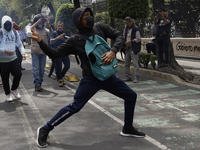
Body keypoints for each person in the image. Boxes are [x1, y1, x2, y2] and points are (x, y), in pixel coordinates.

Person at [30, 7, 145, 148]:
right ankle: (45, 129)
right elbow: (54, 54)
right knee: (75, 107)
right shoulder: (75, 40)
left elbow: (119, 36)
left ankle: (127, 128)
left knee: (131, 96)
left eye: (89, 14)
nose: (89, 17)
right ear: (78, 21)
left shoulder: (99, 27)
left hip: (108, 76)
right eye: (85, 16)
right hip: (91, 80)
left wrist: (113, 51)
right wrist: (41, 41)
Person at [0, 15, 26, 102]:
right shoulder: (0, 33)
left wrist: (23, 53)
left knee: (18, 74)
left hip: (13, 58)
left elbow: (19, 44)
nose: (8, 26)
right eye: (6, 25)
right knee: (5, 78)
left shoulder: (15, 33)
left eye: (9, 24)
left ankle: (14, 89)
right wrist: (5, 51)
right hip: (3, 60)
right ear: (3, 24)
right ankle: (7, 94)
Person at [30, 14, 53, 92]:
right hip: (35, 52)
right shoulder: (33, 30)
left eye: (41, 21)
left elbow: (51, 33)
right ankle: (37, 84)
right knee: (36, 69)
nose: (40, 22)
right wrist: (37, 22)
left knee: (42, 69)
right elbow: (30, 30)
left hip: (43, 53)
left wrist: (48, 24)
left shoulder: (45, 30)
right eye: (38, 21)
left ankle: (40, 83)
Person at [50, 21, 70, 87]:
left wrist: (63, 38)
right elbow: (51, 41)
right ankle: (60, 79)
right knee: (58, 67)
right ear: (56, 26)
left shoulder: (65, 33)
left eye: (61, 26)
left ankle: (60, 76)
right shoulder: (54, 33)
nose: (60, 27)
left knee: (67, 65)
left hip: (64, 52)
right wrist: (58, 38)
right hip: (57, 52)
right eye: (59, 26)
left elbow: (69, 41)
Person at [122, 16, 141, 83]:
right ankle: (128, 77)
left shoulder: (136, 29)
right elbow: (124, 35)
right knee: (126, 63)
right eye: (126, 23)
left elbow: (138, 39)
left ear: (131, 22)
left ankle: (136, 78)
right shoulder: (126, 28)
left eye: (127, 23)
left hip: (133, 48)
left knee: (135, 63)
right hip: (127, 48)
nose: (126, 24)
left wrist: (130, 41)